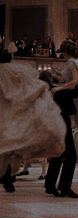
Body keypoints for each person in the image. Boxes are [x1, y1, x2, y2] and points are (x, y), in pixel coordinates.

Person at [0, 49, 66, 192]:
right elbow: (25, 89)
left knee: (6, 146)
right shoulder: (15, 71)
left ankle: (7, 176)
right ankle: (9, 178)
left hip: (4, 113)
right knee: (12, 147)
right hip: (13, 114)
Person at [43, 40, 78, 198]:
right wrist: (60, 85)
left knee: (60, 151)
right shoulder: (72, 63)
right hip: (62, 114)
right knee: (70, 154)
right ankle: (64, 187)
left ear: (65, 52)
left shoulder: (71, 63)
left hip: (61, 112)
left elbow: (74, 82)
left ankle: (51, 185)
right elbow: (76, 82)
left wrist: (59, 85)